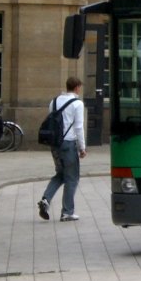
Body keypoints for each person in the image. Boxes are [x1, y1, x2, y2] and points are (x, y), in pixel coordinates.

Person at [37, 77, 86, 222]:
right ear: (77, 87)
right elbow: (79, 127)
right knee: (72, 177)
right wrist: (82, 147)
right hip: (68, 143)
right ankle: (67, 212)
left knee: (61, 174)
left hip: (55, 144)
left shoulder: (54, 101)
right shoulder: (77, 104)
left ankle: (46, 199)